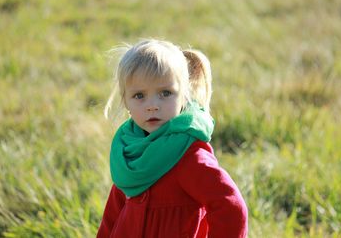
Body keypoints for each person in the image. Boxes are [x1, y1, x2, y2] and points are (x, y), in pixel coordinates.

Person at [97, 39, 248, 238]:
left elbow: (230, 208)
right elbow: (113, 214)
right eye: (139, 96)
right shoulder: (129, 150)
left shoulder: (188, 155)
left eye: (165, 93)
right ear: (126, 100)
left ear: (184, 95)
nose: (152, 105)